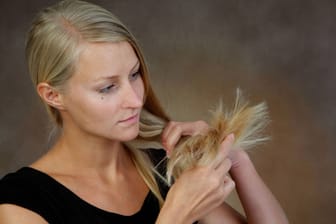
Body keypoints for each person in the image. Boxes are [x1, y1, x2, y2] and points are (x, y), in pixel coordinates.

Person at [0, 0, 288, 223]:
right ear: (53, 95)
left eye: (135, 74)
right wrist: (175, 216)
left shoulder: (164, 170)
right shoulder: (20, 202)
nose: (136, 100)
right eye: (107, 87)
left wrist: (233, 157)